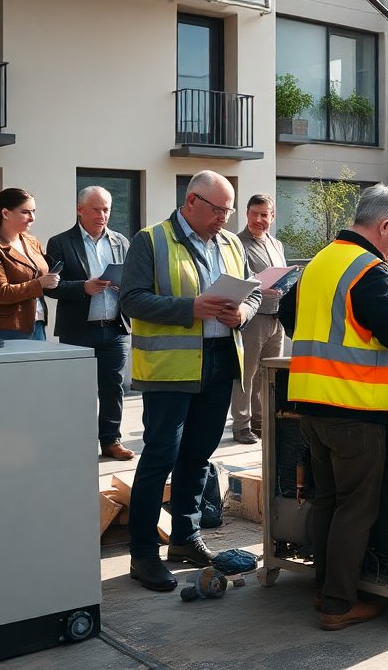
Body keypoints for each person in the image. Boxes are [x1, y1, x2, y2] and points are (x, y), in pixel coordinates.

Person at [278, 184, 388, 630]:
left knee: (328, 501)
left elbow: (290, 316)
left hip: (310, 405)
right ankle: (337, 604)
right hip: (354, 407)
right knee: (357, 509)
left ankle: (323, 588)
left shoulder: (318, 263)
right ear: (385, 225)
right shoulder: (369, 270)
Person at [120, 171, 261, 592]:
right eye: (218, 209)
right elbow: (131, 300)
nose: (224, 217)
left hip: (220, 361)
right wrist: (191, 308)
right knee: (159, 458)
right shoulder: (151, 239)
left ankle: (185, 536)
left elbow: (253, 294)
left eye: (228, 209)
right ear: (192, 202)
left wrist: (245, 313)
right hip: (171, 370)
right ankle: (143, 554)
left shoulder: (232, 243)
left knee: (199, 456)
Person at [45, 186, 134, 461]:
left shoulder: (120, 241)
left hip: (115, 326)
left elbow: (134, 279)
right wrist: (84, 287)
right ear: (80, 209)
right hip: (79, 329)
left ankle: (111, 441)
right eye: (96, 209)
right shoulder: (60, 242)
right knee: (78, 389)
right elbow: (51, 287)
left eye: (106, 209)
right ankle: (78, 441)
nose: (102, 215)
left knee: (113, 387)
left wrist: (125, 287)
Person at [230, 193, 288, 444]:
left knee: (268, 375)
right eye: (253, 213)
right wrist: (259, 288)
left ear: (272, 217)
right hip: (253, 317)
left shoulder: (277, 244)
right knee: (246, 373)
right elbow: (238, 279)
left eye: (264, 214)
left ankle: (261, 421)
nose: (258, 219)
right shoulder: (236, 243)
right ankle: (241, 426)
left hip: (277, 318)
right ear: (246, 214)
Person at [0, 187, 59, 340]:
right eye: (25, 212)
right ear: (5, 213)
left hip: (36, 324)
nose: (32, 218)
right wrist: (39, 284)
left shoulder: (31, 241)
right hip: (3, 329)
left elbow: (42, 276)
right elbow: (1, 293)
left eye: (33, 211)